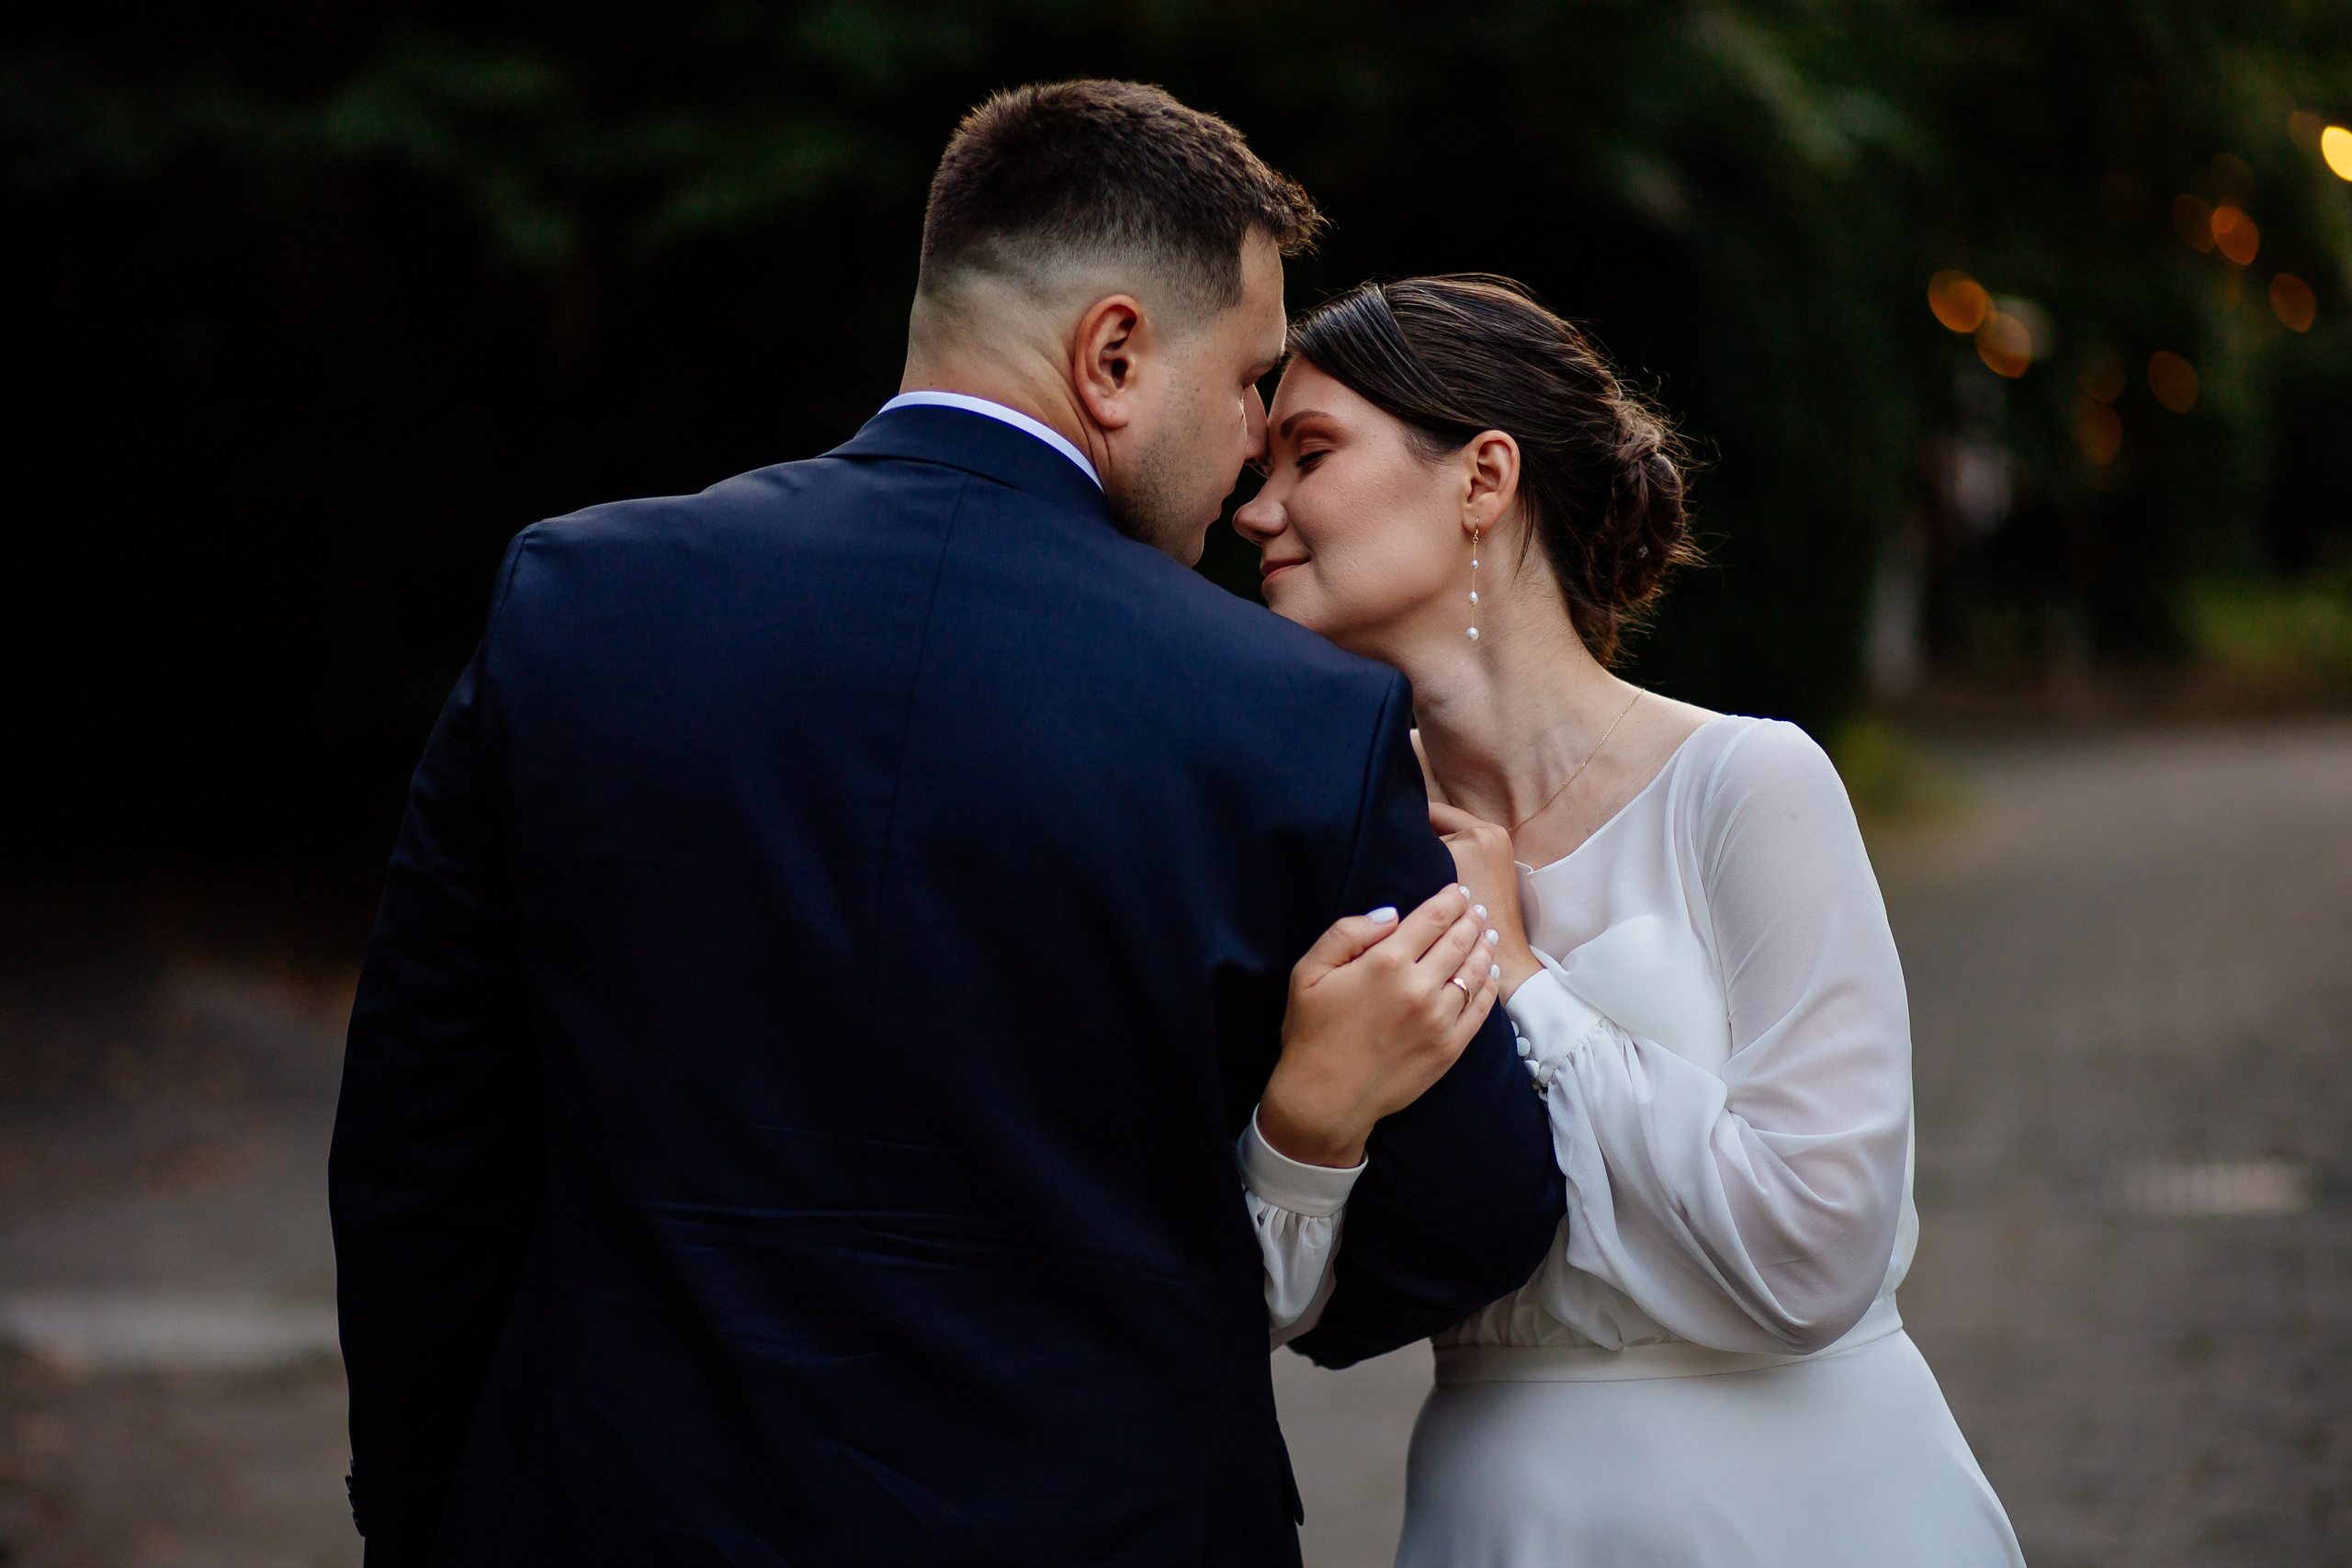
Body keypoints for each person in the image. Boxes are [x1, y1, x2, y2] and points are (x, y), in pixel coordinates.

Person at [327, 84, 1564, 1567]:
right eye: (1247, 384)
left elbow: (424, 1151)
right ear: (1113, 355)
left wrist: (428, 1519)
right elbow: (1474, 1219)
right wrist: (1290, 1154)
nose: (1251, 452)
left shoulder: (579, 606)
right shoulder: (1286, 719)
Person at [1235, 276, 2026, 1565]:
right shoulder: (1336, 855)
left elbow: (1823, 1249)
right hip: (1506, 1520)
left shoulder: (1749, 785)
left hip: (1814, 1512)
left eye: (1309, 454)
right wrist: (1303, 1132)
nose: (1257, 509)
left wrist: (1524, 979)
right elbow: (1276, 1308)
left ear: (1482, 479)